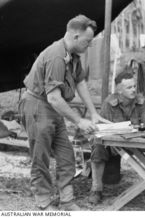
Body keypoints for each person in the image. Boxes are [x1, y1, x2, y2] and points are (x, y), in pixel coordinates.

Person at [18, 15, 110, 211]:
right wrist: (79, 121)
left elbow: (80, 81)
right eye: (88, 41)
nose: (90, 45)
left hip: (53, 107)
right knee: (40, 155)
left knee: (66, 155)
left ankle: (67, 200)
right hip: (38, 105)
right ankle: (43, 201)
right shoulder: (56, 56)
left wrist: (93, 113)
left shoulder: (74, 55)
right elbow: (54, 98)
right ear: (76, 36)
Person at [89, 69, 145, 205]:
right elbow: (101, 130)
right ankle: (96, 189)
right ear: (119, 91)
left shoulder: (141, 102)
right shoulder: (109, 103)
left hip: (137, 143)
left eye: (134, 86)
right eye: (129, 87)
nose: (134, 90)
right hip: (115, 145)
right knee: (98, 146)